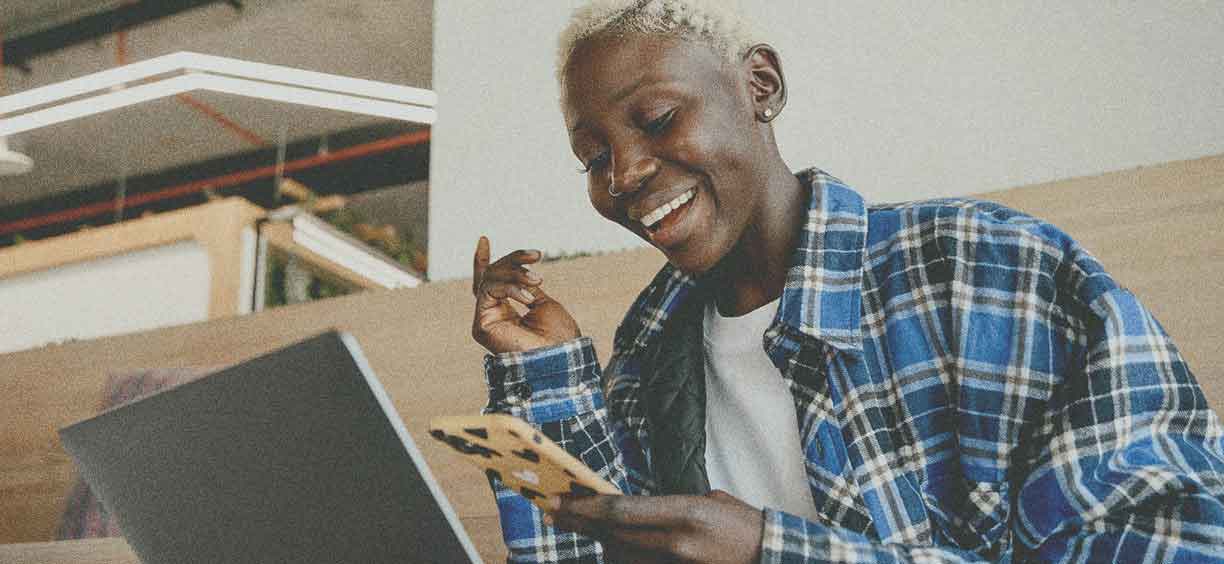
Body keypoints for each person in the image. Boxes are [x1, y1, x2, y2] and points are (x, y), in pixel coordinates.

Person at [469, 1, 1224, 562]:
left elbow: (1176, 542)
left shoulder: (983, 270)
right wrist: (543, 375)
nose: (626, 172)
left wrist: (774, 552)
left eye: (659, 118)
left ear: (759, 85)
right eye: (594, 157)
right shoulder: (647, 353)